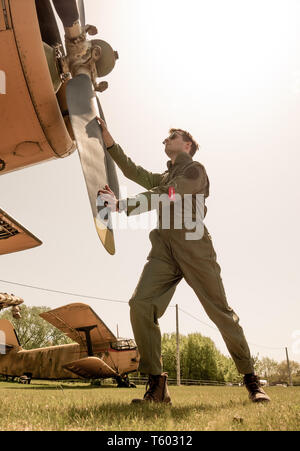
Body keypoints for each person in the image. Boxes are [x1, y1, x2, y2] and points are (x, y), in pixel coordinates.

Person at [97, 117, 270, 404]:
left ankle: (251, 381)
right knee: (140, 304)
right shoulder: (164, 176)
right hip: (164, 251)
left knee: (220, 313)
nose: (165, 140)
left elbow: (168, 195)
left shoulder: (194, 171)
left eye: (172, 136)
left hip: (194, 247)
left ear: (187, 144)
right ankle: (157, 385)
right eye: (165, 137)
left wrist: (121, 205)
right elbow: (132, 170)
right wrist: (110, 142)